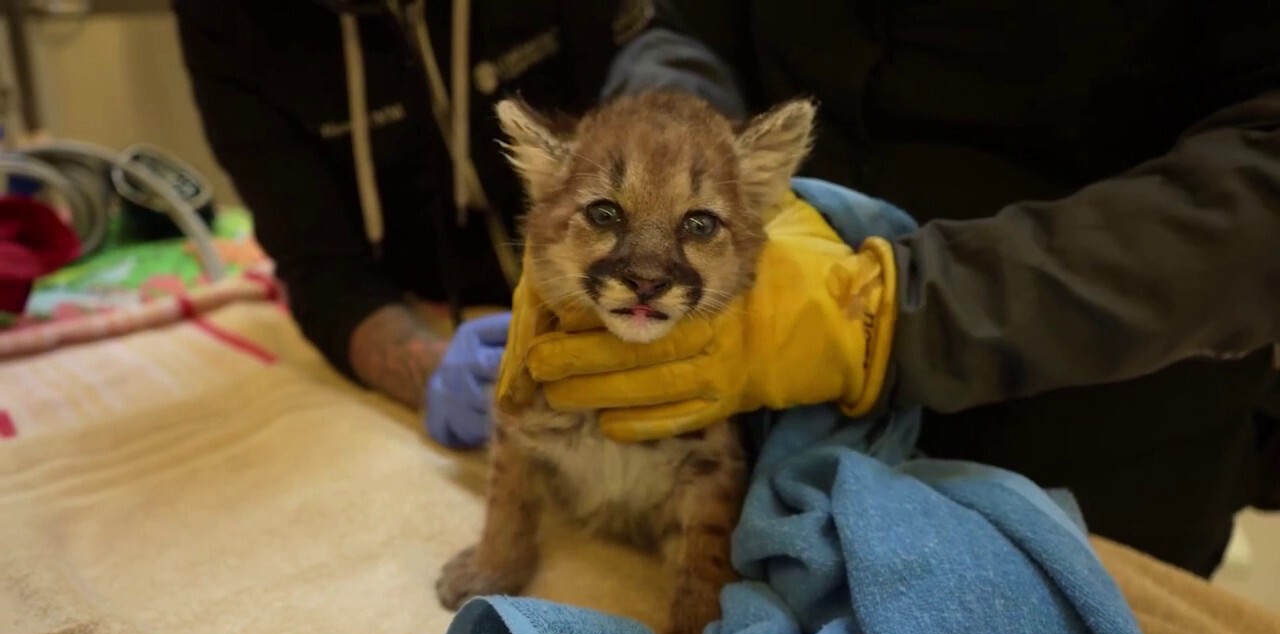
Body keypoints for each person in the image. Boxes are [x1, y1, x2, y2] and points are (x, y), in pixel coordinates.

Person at [493, 0, 1280, 579]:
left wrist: (895, 312)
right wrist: (670, 154)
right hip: (759, 402)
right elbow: (690, 23)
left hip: (1090, 458)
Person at [171, 0, 740, 428]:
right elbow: (318, 266)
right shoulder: (223, 18)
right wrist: (431, 371)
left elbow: (649, 42)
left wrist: (679, 149)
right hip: (424, 299)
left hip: (615, 283)